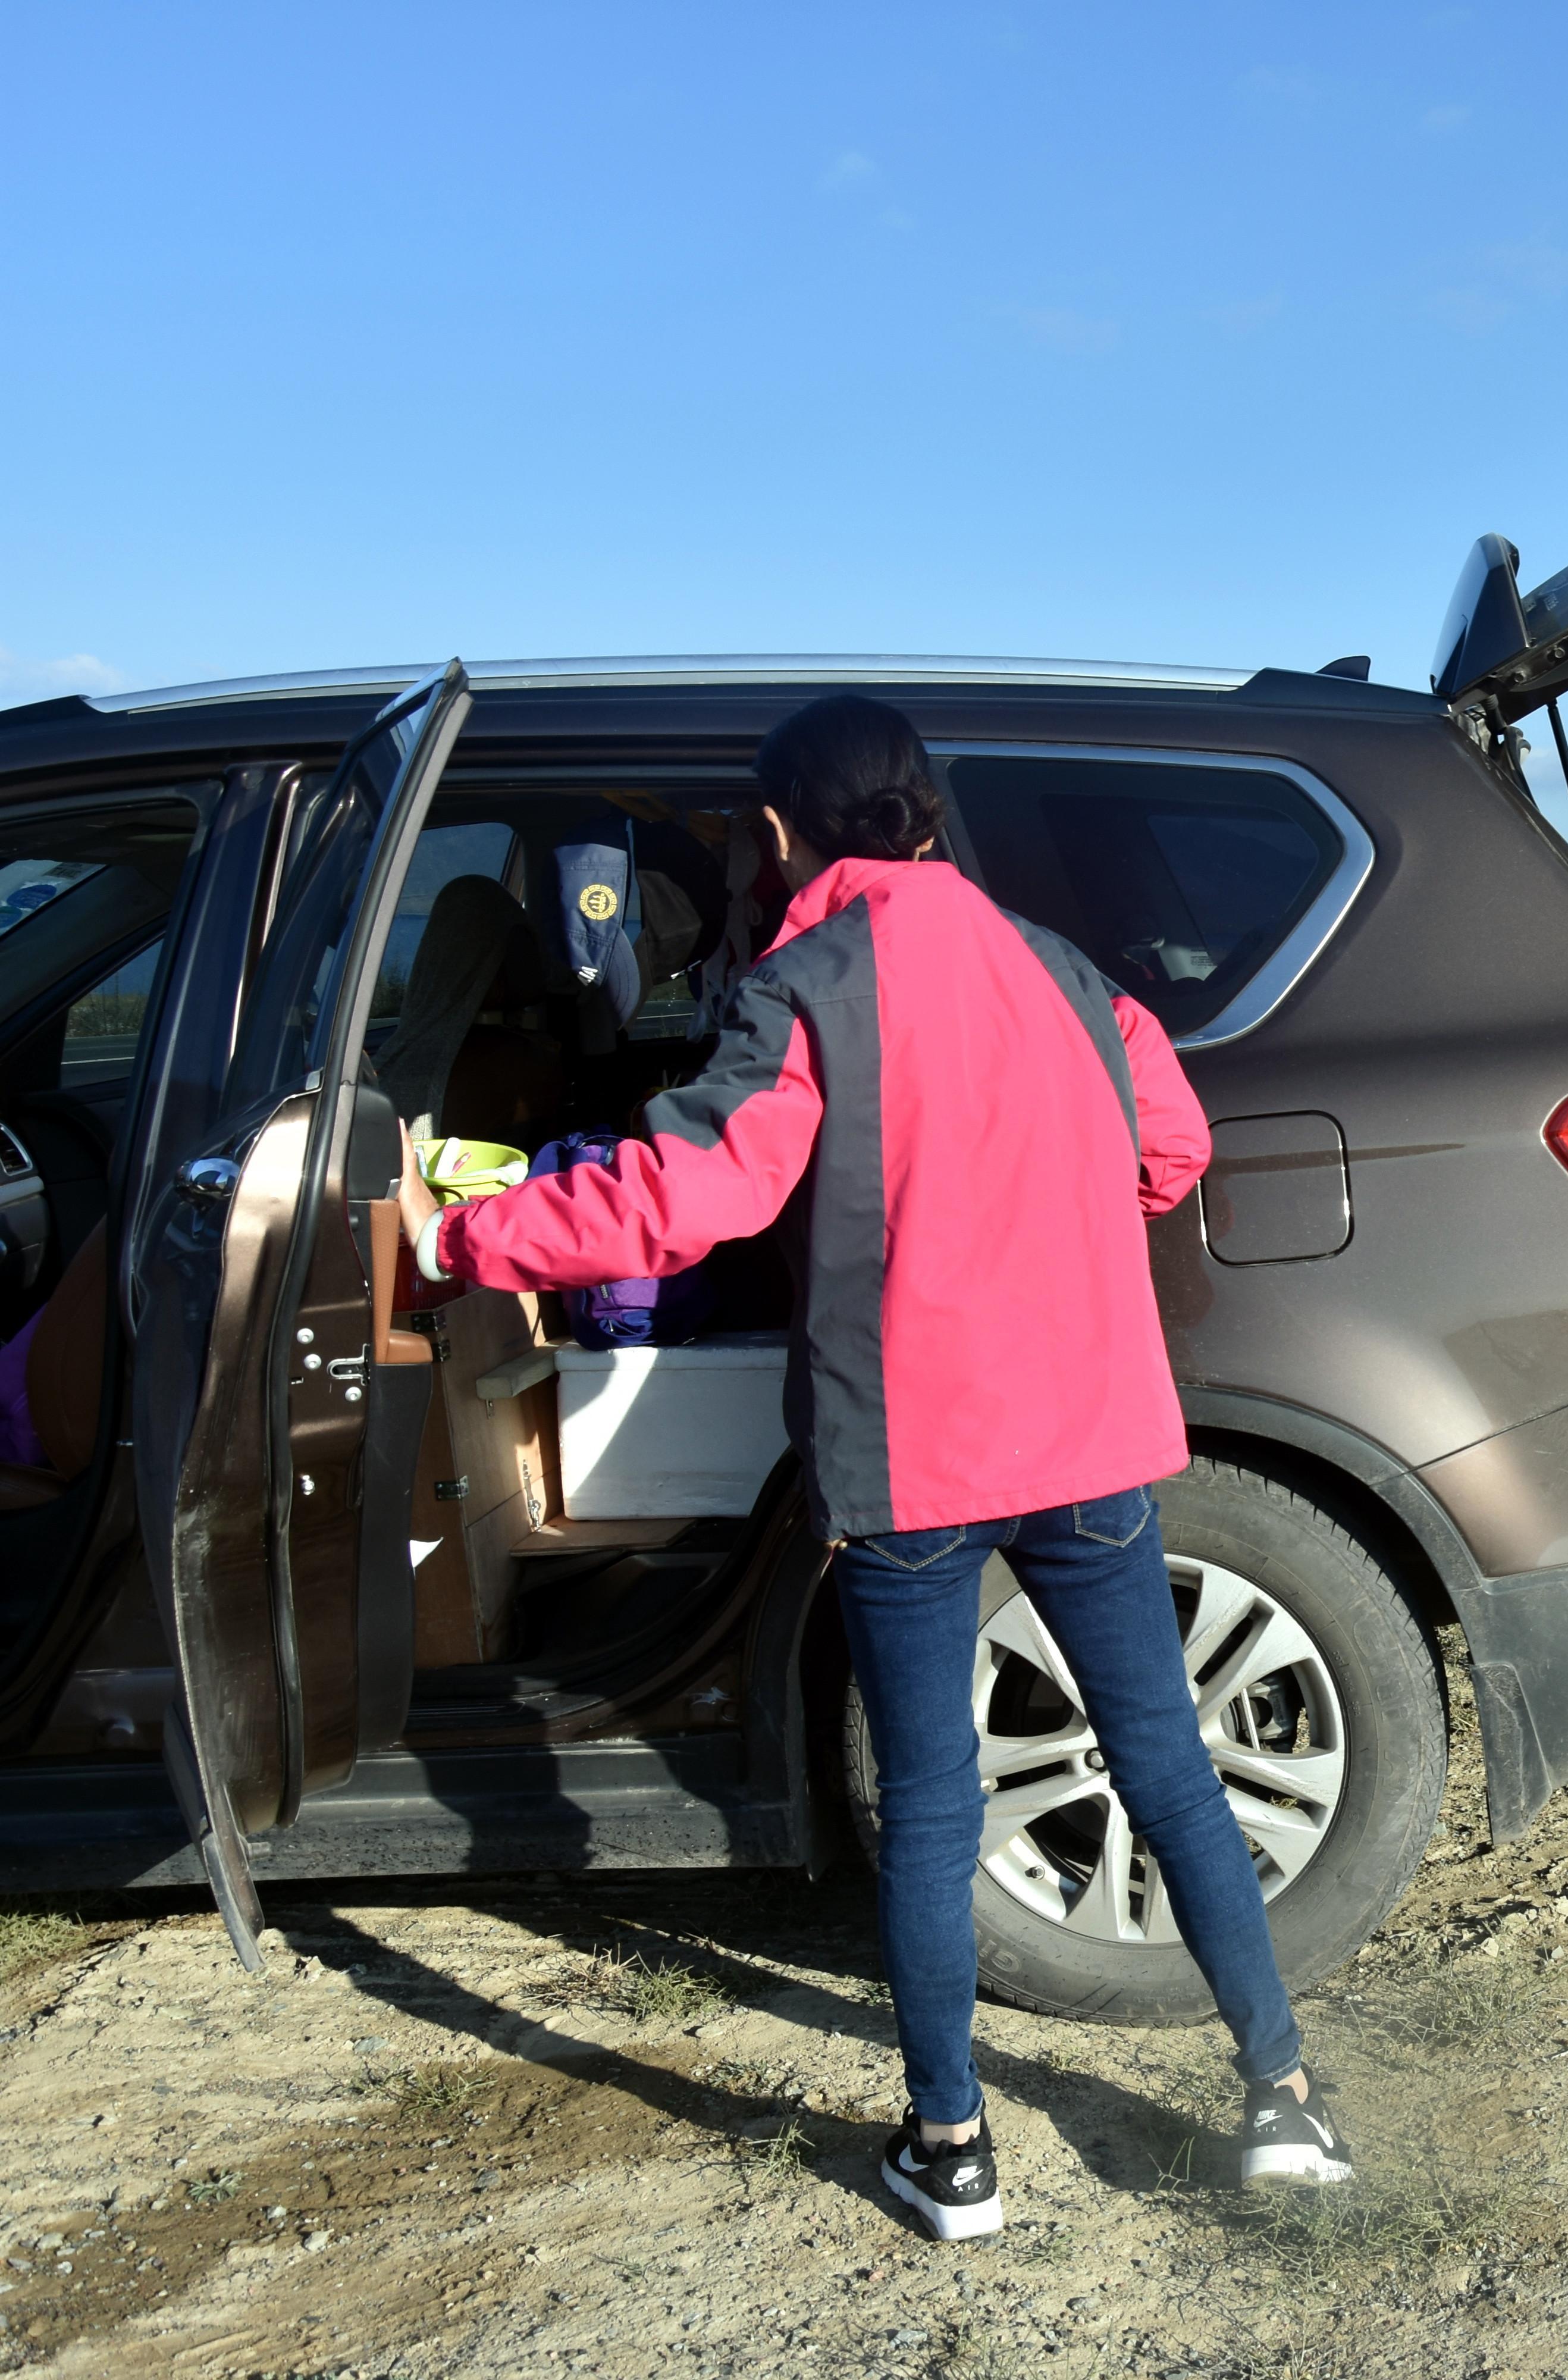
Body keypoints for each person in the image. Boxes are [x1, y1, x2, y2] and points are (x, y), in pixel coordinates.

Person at [394, 694, 1347, 2241]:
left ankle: (953, 2149)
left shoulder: (808, 984)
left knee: (928, 1803)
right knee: (1168, 1762)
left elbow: (691, 1193)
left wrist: (459, 1239)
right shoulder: (1060, 967)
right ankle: (1286, 2107)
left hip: (918, 1460)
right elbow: (1169, 1151)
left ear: (780, 834)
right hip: (1092, 1430)